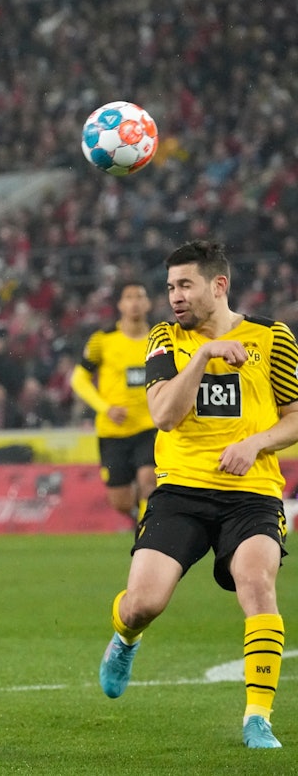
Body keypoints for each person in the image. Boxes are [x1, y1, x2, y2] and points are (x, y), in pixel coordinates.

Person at [98, 241, 298, 749]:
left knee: (257, 584)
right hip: (181, 491)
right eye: (170, 287)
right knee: (144, 602)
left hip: (252, 493)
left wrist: (256, 443)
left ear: (218, 285)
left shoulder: (273, 337)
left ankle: (258, 717)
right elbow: (164, 415)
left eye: (184, 285)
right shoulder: (165, 338)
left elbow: (295, 416)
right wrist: (205, 354)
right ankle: (125, 638)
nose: (174, 297)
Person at [71, 282, 157, 524]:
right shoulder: (103, 340)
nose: (135, 302)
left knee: (148, 480)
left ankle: (149, 534)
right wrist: (105, 408)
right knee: (120, 500)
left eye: (140, 296)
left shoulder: (161, 339)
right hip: (113, 431)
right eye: (129, 297)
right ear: (120, 304)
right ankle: (138, 519)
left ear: (148, 303)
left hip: (150, 426)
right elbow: (79, 379)